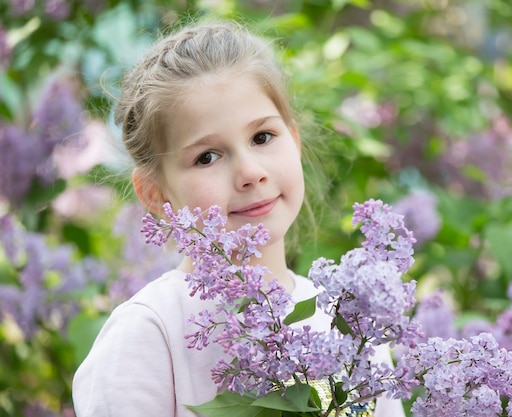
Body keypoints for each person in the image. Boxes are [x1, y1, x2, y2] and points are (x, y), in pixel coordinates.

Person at [72, 20, 406, 417]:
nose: (251, 172)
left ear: (294, 141)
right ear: (156, 195)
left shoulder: (354, 325)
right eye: (207, 157)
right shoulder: (150, 333)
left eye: (262, 137)